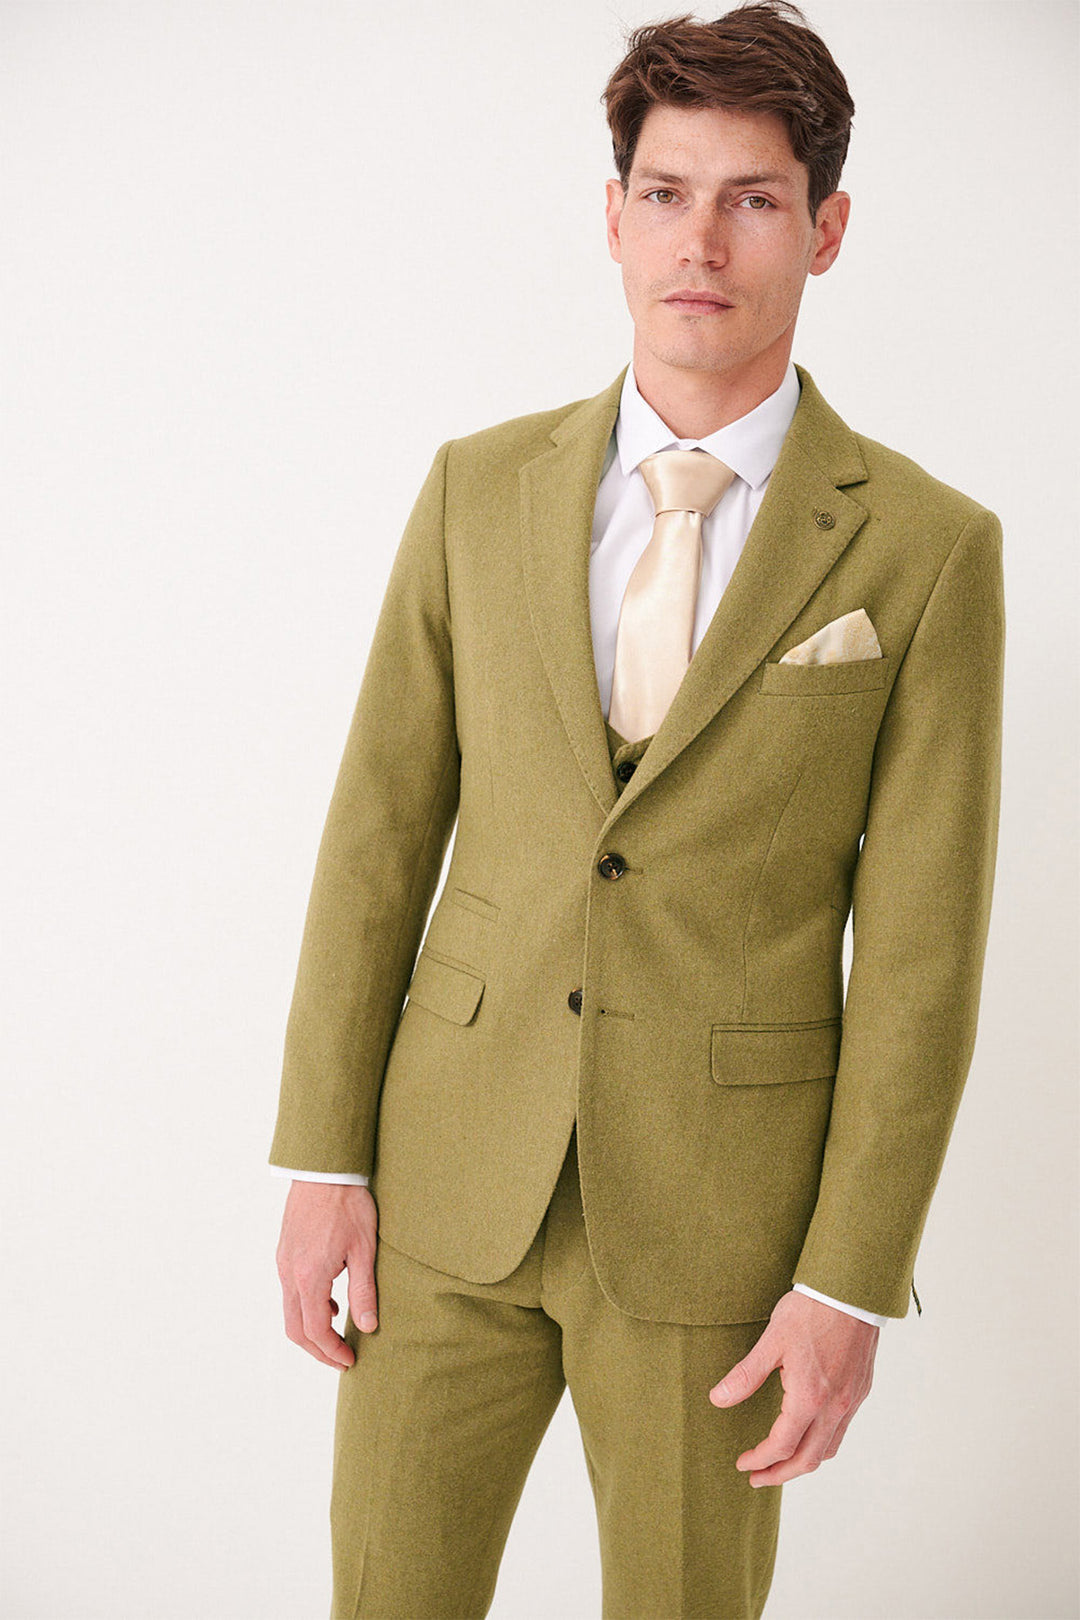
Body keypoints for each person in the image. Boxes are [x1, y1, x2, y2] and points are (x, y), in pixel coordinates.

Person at [269, 3, 1005, 1615]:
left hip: (717, 1229)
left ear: (826, 229)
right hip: (445, 1186)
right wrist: (323, 1155)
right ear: (613, 217)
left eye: (753, 199)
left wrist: (849, 1281)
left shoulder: (927, 548)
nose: (702, 242)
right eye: (666, 194)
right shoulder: (477, 489)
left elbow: (923, 957)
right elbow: (378, 836)